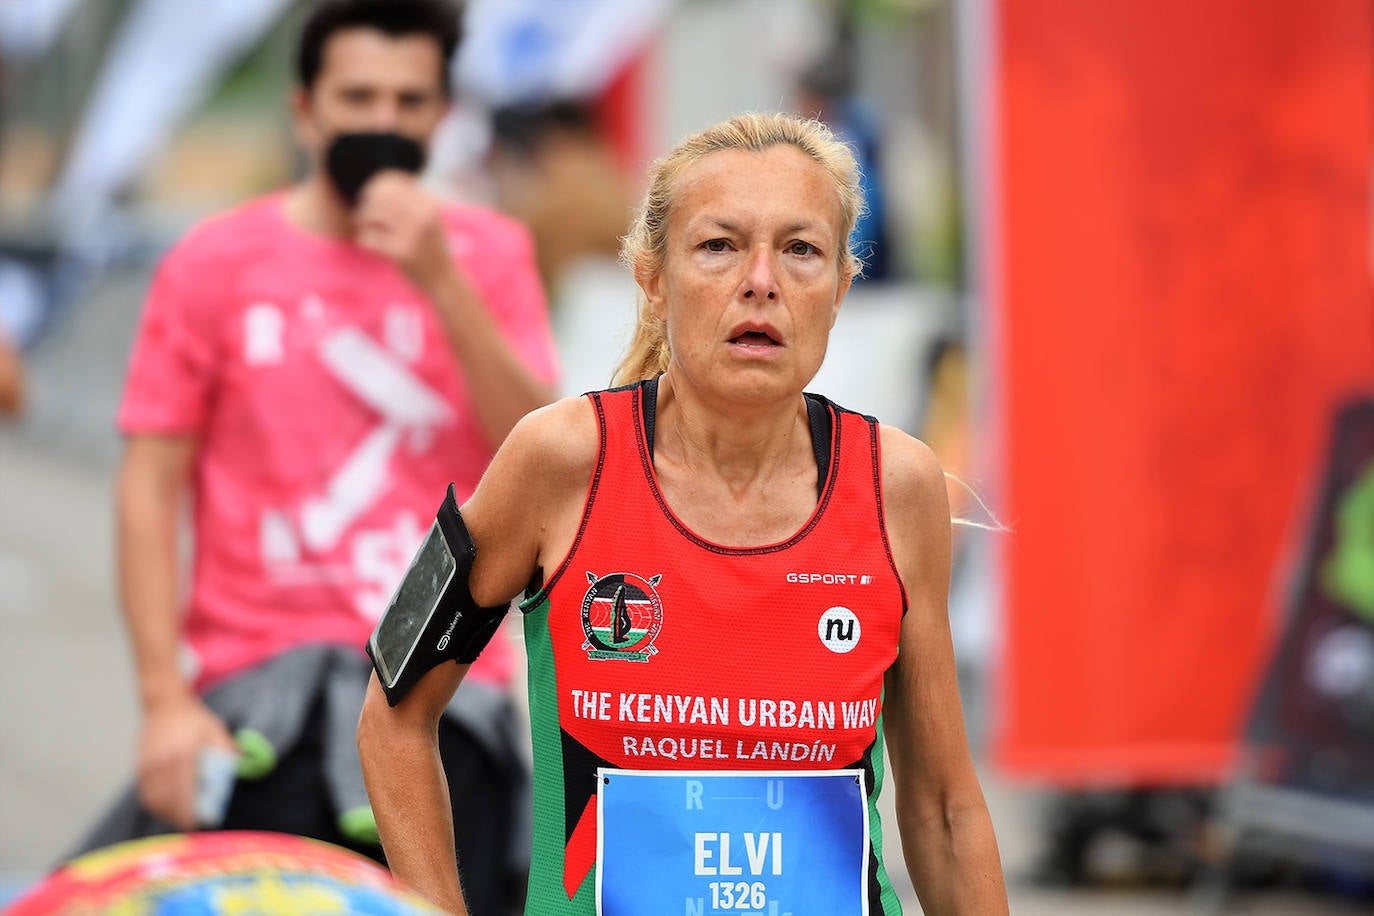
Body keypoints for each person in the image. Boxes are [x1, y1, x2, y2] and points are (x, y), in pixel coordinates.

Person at [358, 112, 1006, 915]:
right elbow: (392, 715)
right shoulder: (558, 460)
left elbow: (943, 811)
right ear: (653, 277)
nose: (761, 279)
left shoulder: (896, 484)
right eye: (719, 246)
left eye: (800, 249)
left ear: (840, 289)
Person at [96, 1, 557, 913]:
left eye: (408, 99)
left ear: (440, 114)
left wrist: (439, 277)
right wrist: (163, 704)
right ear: (305, 110)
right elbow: (149, 487)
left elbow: (542, 453)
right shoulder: (213, 262)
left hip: (442, 695)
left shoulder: (489, 255)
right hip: (259, 701)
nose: (382, 123)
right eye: (358, 97)